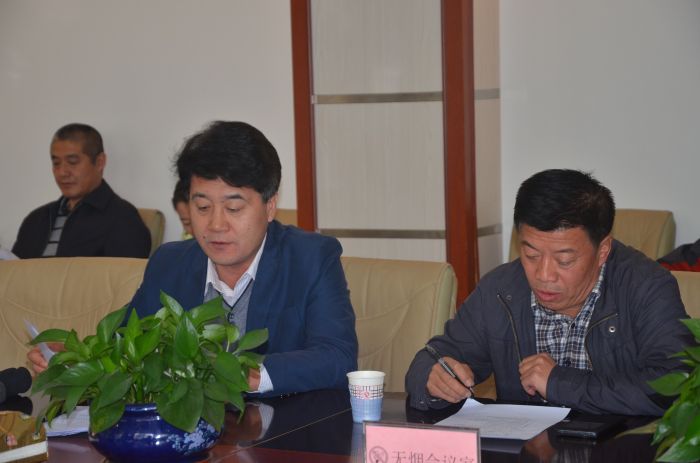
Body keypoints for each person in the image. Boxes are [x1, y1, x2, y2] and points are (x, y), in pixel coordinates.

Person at [30, 121, 358, 397]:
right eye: (202, 207)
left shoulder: (311, 257)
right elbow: (126, 344)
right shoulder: (169, 263)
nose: (216, 225)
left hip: (282, 435)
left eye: (233, 208)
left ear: (270, 206)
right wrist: (76, 359)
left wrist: (250, 374)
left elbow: (337, 356)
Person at [405, 169, 691, 416]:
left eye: (564, 260)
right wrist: (432, 376)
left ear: (603, 250)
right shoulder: (500, 290)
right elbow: (435, 356)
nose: (543, 275)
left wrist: (559, 383)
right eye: (531, 255)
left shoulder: (646, 287)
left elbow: (677, 384)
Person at [12, 123, 151, 258]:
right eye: (56, 163)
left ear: (100, 162)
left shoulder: (123, 218)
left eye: (72, 162)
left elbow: (125, 274)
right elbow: (13, 271)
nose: (62, 172)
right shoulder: (36, 220)